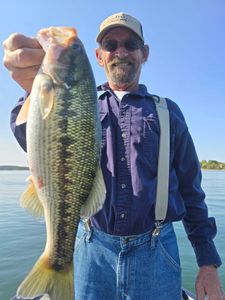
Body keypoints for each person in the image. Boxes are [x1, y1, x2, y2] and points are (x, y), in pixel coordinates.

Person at [3, 12, 225, 300]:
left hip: (157, 253)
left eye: (130, 43)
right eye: (110, 45)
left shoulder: (168, 112)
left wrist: (207, 263)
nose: (120, 52)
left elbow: (191, 192)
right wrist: (31, 91)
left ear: (144, 54)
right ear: (99, 56)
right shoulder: (78, 102)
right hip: (91, 249)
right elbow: (30, 138)